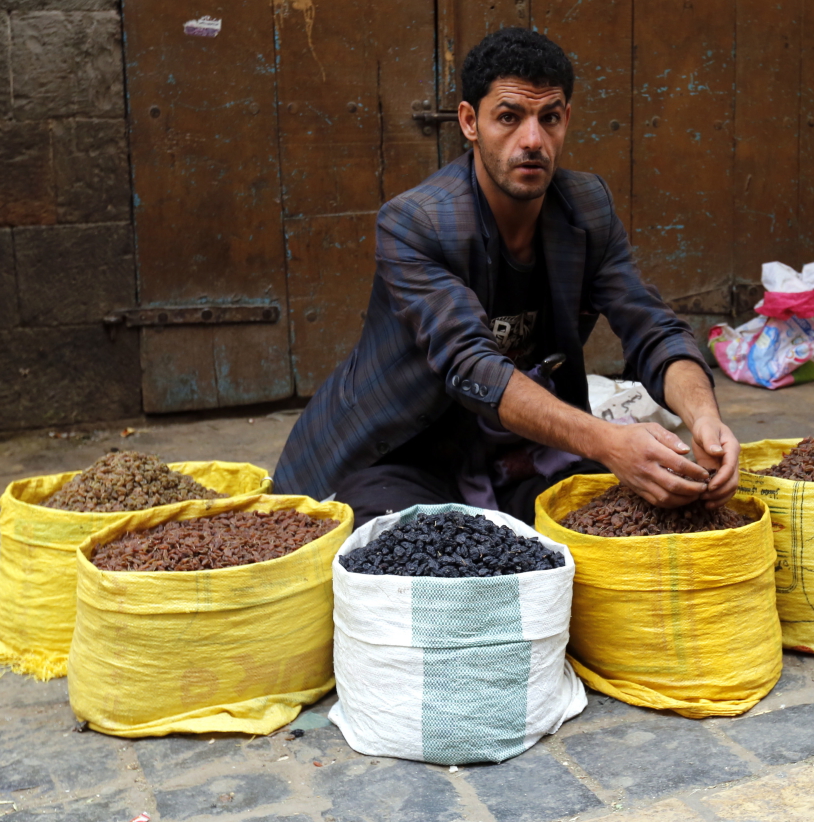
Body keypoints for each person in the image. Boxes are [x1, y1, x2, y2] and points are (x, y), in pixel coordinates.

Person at [273, 28, 739, 524]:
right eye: (509, 118)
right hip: (402, 453)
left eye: (550, 118)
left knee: (630, 520)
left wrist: (704, 419)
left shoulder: (587, 209)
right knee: (435, 558)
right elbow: (473, 366)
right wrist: (608, 441)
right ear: (470, 122)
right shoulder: (415, 222)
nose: (533, 140)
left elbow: (652, 328)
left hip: (517, 453)